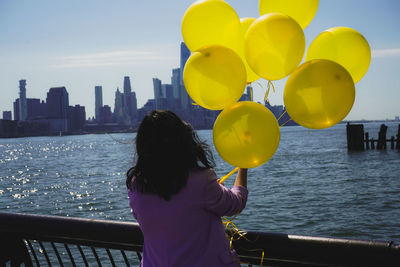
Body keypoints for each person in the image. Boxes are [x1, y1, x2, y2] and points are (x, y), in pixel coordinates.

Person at [126, 110, 248, 267]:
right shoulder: (201, 179)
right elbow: (235, 203)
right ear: (181, 141)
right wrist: (243, 164)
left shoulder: (136, 185)